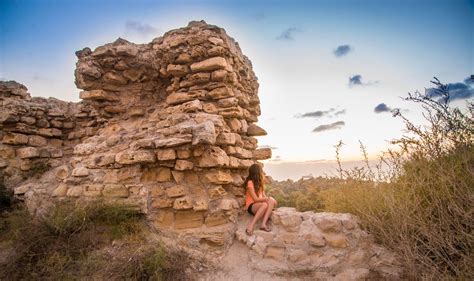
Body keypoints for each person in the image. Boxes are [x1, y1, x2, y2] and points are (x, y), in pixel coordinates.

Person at [243, 163, 277, 235]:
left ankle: (263, 224)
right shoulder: (250, 183)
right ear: (257, 172)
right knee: (265, 204)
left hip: (260, 205)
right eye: (261, 171)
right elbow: (255, 199)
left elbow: (264, 196)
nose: (262, 173)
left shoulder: (260, 183)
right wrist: (268, 199)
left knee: (270, 200)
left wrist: (271, 201)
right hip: (251, 206)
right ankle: (251, 226)